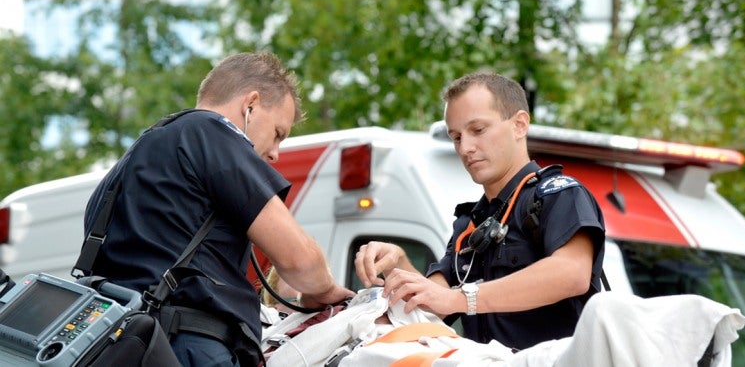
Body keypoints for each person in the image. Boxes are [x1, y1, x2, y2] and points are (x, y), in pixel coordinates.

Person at [83, 52, 353, 366]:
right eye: (278, 133)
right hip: (189, 348)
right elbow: (300, 261)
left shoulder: (124, 169)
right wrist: (325, 289)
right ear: (250, 105)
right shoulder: (212, 133)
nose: (276, 153)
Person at [354, 71, 605, 351]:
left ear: (520, 124)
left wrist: (462, 298)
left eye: (478, 130)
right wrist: (398, 261)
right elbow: (432, 305)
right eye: (456, 137)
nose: (466, 148)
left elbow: (572, 273)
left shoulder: (558, 194)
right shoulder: (469, 224)